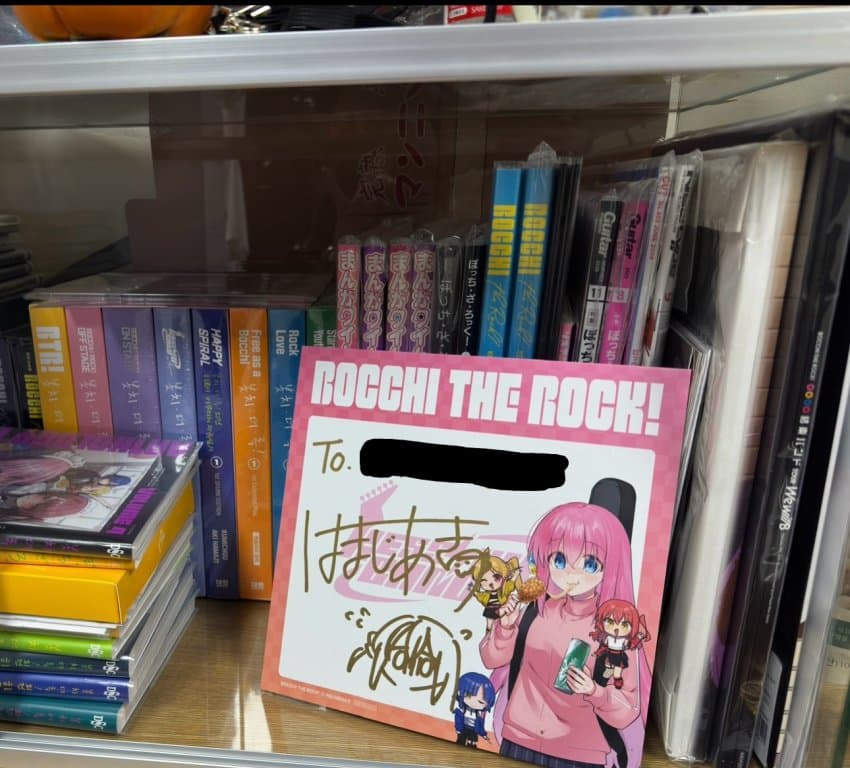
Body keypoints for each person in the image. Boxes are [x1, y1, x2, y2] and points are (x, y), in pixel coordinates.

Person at [479, 502, 650, 768]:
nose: (570, 573)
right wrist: (506, 628)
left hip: (578, 754)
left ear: (612, 566)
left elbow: (628, 710)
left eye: (589, 564)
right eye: (558, 560)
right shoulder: (536, 611)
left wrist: (595, 692)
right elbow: (491, 659)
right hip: (517, 741)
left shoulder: (616, 630)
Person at [470, 550, 522, 628]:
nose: (491, 584)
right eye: (484, 581)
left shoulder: (503, 590)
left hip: (501, 609)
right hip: (489, 609)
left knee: (500, 624)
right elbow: (481, 597)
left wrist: (515, 575)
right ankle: (489, 633)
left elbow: (510, 584)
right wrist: (475, 593)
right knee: (489, 626)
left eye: (496, 578)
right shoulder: (486, 595)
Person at [453, 671, 495, 748]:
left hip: (473, 731)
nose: (474, 702)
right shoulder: (462, 710)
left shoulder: (478, 715)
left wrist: (483, 734)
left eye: (480, 702)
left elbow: (480, 725)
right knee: (460, 741)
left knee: (472, 744)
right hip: (463, 728)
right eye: (468, 695)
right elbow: (458, 718)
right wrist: (458, 729)